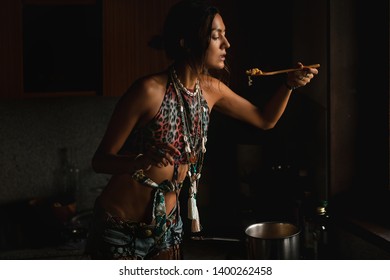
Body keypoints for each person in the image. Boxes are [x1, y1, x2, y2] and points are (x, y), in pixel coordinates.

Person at [85, 0, 319, 260]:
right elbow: (100, 161)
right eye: (216, 36)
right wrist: (139, 161)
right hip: (119, 230)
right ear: (186, 41)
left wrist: (288, 85)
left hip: (167, 229)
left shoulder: (211, 89)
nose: (226, 44)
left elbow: (265, 120)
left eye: (225, 35)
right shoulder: (148, 91)